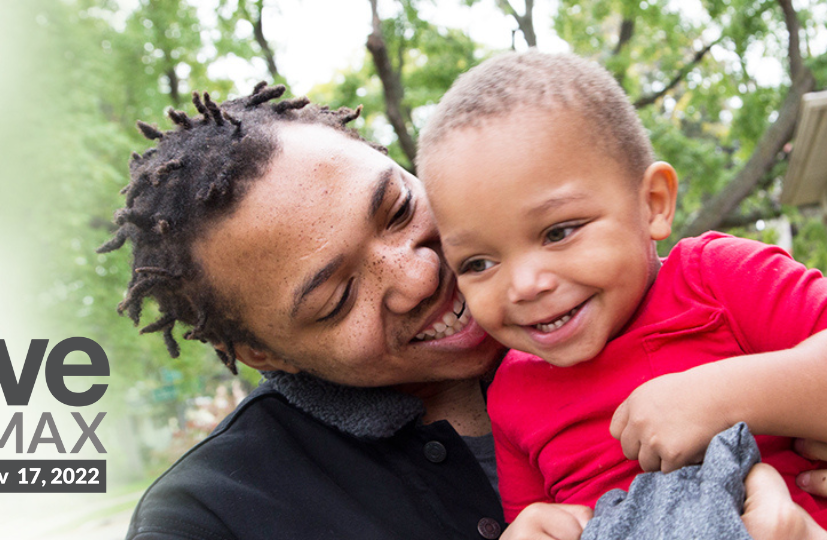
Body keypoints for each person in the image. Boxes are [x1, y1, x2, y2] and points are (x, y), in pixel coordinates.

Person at [100, 84, 827, 540]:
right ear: (267, 353)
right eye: (336, 298)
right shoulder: (213, 519)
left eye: (397, 209)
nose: (420, 274)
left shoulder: (642, 292)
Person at [416, 50, 827, 528]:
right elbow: (535, 519)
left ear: (652, 204)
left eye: (559, 232)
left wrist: (725, 397)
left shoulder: (717, 278)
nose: (525, 285)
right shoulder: (511, 395)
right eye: (479, 262)